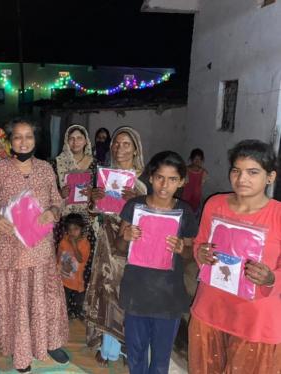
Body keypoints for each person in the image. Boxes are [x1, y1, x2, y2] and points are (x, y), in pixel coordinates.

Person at [0, 119, 69, 373]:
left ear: (36, 140)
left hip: (38, 246)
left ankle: (48, 341)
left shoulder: (46, 169)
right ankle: (21, 351)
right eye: (17, 137)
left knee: (43, 296)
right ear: (10, 141)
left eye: (28, 136)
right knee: (15, 300)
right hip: (7, 248)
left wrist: (53, 212)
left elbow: (58, 202)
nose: (23, 141)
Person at [189, 140, 280, 373]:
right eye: (236, 170)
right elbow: (200, 243)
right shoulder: (215, 204)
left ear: (270, 177)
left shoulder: (278, 215)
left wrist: (271, 278)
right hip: (211, 310)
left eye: (253, 172)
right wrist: (200, 253)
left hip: (255, 320)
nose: (242, 179)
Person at [114, 151, 197, 374]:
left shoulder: (185, 212)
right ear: (150, 177)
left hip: (168, 298)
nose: (164, 185)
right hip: (136, 293)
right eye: (160, 177)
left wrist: (182, 249)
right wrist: (125, 237)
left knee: (160, 361)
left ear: (181, 182)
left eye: (172, 179)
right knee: (136, 354)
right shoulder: (134, 206)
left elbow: (190, 255)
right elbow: (119, 248)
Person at [84, 126, 147, 366]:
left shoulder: (140, 186)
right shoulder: (103, 178)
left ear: (135, 150)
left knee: (122, 295)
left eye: (126, 144)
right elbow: (93, 216)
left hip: (127, 248)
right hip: (104, 243)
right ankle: (107, 346)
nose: (120, 148)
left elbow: (147, 223)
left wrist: (137, 203)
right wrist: (94, 201)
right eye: (116, 144)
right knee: (104, 292)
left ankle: (124, 347)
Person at [50, 124, 97, 295]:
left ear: (86, 141)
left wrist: (93, 194)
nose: (75, 142)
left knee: (83, 260)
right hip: (64, 219)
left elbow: (100, 192)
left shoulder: (94, 164)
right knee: (63, 258)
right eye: (71, 138)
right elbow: (49, 191)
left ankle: (79, 299)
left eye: (79, 138)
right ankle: (60, 299)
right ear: (66, 141)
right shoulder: (57, 163)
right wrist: (59, 193)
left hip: (85, 219)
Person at [57, 213, 90, 319]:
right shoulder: (64, 240)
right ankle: (65, 317)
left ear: (82, 229)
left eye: (76, 229)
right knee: (64, 301)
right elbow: (59, 254)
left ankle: (80, 315)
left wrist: (74, 245)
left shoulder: (84, 243)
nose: (72, 233)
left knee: (79, 302)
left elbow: (81, 259)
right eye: (70, 229)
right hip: (64, 278)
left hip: (77, 281)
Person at [181, 148, 208, 214]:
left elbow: (201, 185)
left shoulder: (204, 172)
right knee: (185, 210)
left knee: (194, 212)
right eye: (195, 159)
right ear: (191, 159)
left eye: (199, 159)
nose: (197, 161)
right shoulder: (186, 170)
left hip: (196, 198)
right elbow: (183, 184)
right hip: (186, 196)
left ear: (202, 160)